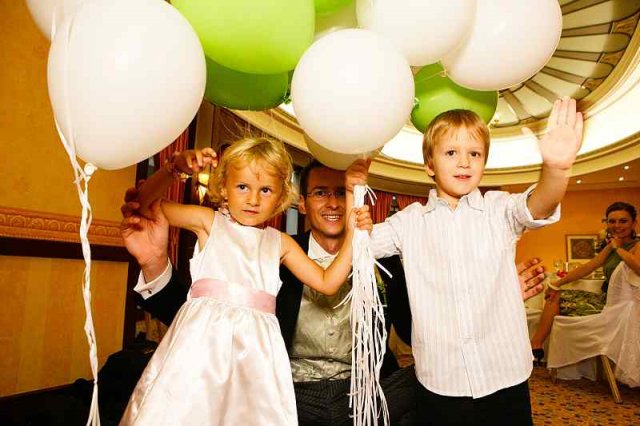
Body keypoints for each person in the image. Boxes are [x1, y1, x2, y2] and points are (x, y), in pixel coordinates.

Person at [121, 157, 547, 425]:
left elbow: (422, 327)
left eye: (342, 193)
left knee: (436, 388)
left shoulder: (388, 258)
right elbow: (209, 314)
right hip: (290, 391)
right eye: (321, 193)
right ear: (301, 203)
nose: (332, 203)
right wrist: (154, 263)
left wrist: (491, 293)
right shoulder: (273, 250)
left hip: (366, 393)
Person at [119, 137, 372, 425]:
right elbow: (143, 206)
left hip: (256, 359)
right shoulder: (208, 222)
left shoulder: (280, 243)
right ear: (224, 188)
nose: (253, 199)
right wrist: (174, 169)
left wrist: (354, 232)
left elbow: (328, 282)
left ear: (280, 197)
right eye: (243, 187)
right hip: (200, 351)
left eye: (265, 190)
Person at [365, 97, 583, 425]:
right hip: (441, 380)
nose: (464, 162)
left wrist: (556, 169)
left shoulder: (498, 209)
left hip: (505, 374)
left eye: (475, 154)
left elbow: (538, 205)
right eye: (451, 152)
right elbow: (360, 247)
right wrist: (354, 199)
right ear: (429, 164)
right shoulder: (408, 222)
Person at [530, 201, 640, 363]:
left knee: (556, 298)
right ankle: (536, 344)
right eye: (612, 221)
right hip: (607, 298)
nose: (617, 225)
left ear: (634, 223)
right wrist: (556, 283)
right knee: (554, 293)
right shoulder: (612, 246)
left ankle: (536, 345)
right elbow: (588, 267)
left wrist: (618, 248)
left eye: (623, 221)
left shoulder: (636, 245)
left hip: (622, 306)